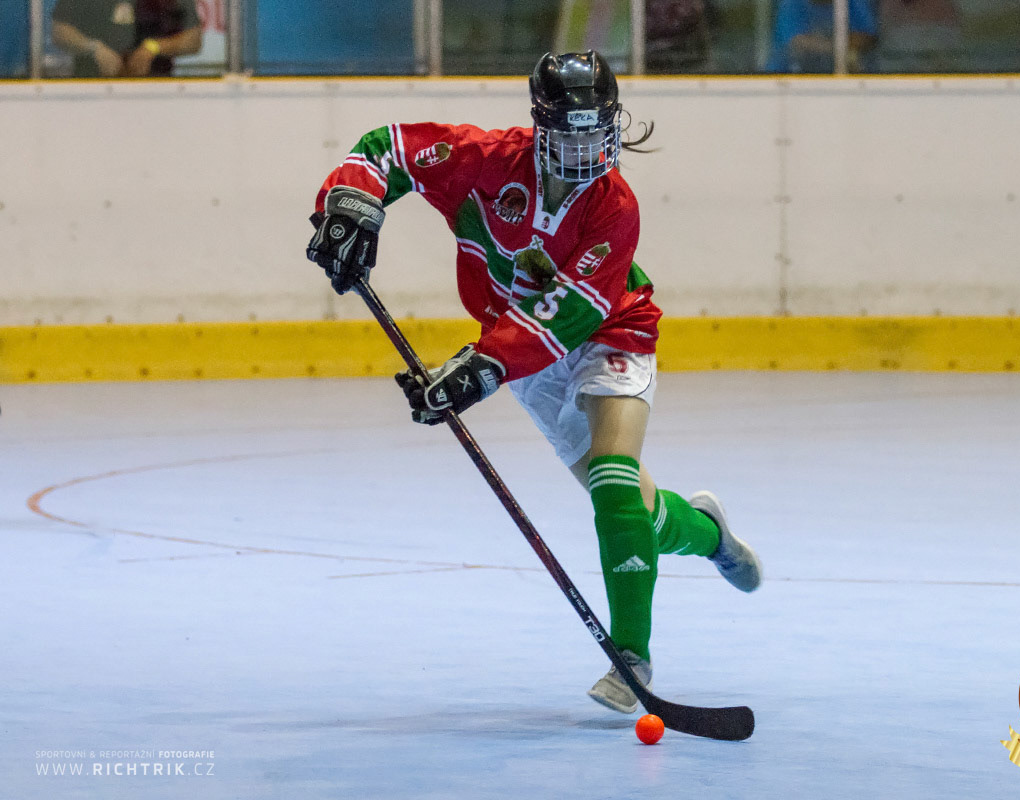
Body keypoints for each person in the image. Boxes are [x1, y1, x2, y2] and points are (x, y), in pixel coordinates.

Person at [305, 51, 763, 714]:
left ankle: (631, 657)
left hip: (609, 330)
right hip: (528, 359)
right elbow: (388, 149)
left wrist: (479, 369)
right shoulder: (482, 162)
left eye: (596, 133)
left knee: (612, 477)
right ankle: (710, 534)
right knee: (632, 512)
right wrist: (350, 204)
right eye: (569, 135)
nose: (585, 150)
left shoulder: (615, 207)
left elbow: (569, 311)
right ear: (540, 127)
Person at [50, 0, 202, 78]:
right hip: (92, 90)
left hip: (154, 92)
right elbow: (60, 31)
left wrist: (154, 48)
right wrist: (94, 49)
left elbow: (193, 39)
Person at [766, 0, 879, 73]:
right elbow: (798, 42)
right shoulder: (792, 3)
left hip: (846, 81)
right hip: (783, 80)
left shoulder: (853, 3)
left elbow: (867, 38)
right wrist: (842, 48)